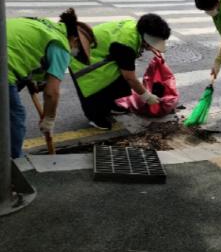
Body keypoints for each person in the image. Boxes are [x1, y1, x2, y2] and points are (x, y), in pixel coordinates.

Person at [7, 8, 95, 158]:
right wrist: (49, 120)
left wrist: (31, 79)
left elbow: (26, 49)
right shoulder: (61, 46)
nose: (74, 53)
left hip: (7, 58)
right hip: (5, 66)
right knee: (15, 116)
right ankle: (14, 162)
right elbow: (51, 93)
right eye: (78, 50)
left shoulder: (47, 27)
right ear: (74, 40)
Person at [70, 14, 171, 130]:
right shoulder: (126, 44)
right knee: (97, 89)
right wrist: (147, 97)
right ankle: (95, 118)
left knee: (119, 81)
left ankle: (111, 105)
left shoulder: (136, 27)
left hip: (98, 53)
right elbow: (130, 78)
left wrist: (151, 48)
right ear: (147, 38)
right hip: (81, 60)